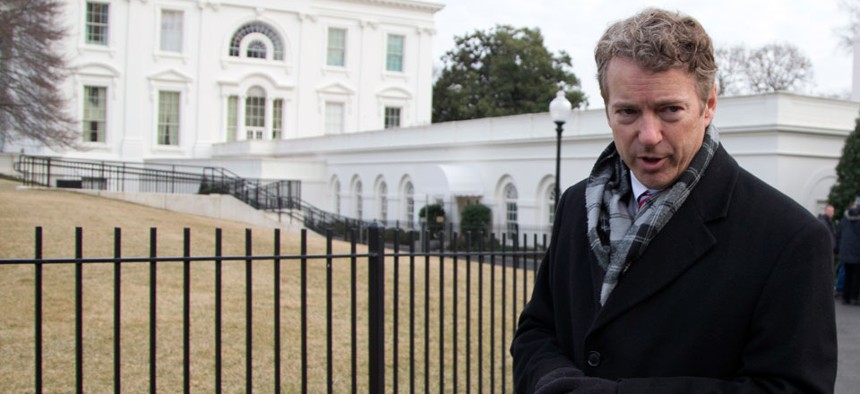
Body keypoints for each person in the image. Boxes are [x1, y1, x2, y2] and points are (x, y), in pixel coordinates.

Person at [511, 8, 837, 394]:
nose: (648, 135)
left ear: (709, 104)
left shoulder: (790, 238)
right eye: (628, 112)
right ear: (607, 110)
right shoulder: (575, 203)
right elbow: (537, 329)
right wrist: (552, 381)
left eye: (669, 110)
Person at [839, 199, 860, 305]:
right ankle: (854, 297)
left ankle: (845, 297)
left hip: (846, 251)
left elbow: (840, 231)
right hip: (857, 251)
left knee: (847, 275)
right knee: (856, 276)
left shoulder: (845, 218)